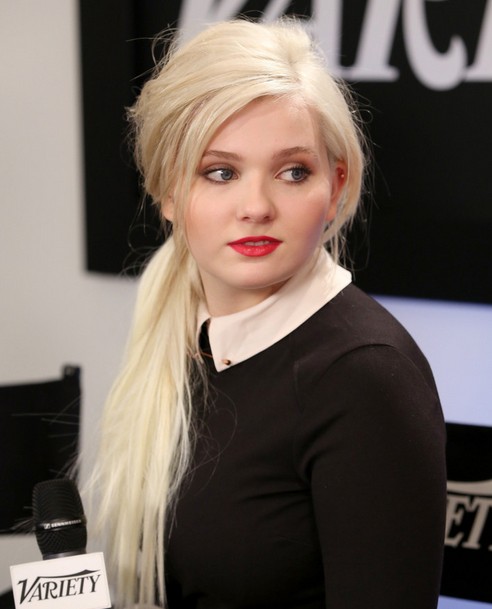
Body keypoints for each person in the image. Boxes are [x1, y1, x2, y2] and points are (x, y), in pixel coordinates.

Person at [89, 18, 447, 609]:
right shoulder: (182, 333)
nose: (255, 207)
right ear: (168, 192)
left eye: (292, 172)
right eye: (221, 172)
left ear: (335, 186)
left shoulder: (368, 377)